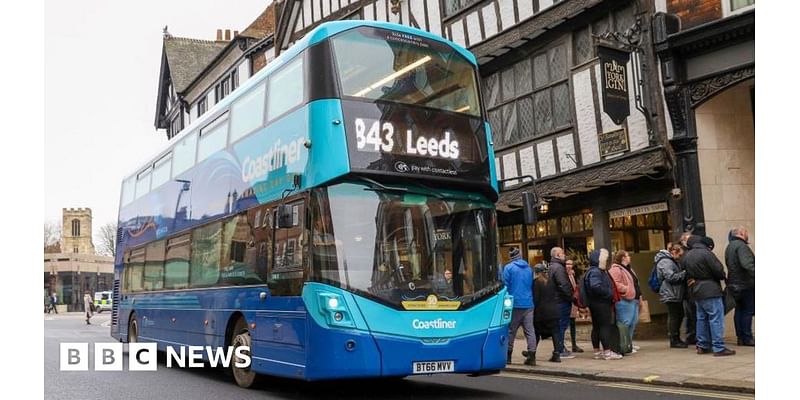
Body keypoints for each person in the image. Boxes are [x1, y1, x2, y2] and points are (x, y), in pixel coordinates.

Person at [684, 235, 735, 356]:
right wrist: (722, 276)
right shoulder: (706, 253)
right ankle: (718, 347)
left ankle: (702, 345)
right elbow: (718, 270)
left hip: (696, 290)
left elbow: (684, 270)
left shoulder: (687, 255)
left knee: (701, 318)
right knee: (716, 318)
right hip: (710, 289)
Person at [584, 249, 623, 360]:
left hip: (595, 303)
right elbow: (595, 286)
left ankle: (597, 352)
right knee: (604, 327)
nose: (606, 261)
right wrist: (609, 293)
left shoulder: (592, 271)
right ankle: (607, 352)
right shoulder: (596, 271)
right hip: (601, 304)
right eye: (605, 259)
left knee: (596, 327)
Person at [503, 247, 537, 365]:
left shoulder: (508, 268)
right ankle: (532, 357)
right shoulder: (529, 268)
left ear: (510, 256)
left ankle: (508, 357)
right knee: (530, 331)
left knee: (511, 330)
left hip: (514, 304)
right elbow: (531, 284)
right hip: (528, 303)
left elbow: (505, 286)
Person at [725, 226, 755, 346]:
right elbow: (747, 264)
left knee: (739, 310)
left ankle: (740, 337)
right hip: (745, 284)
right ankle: (747, 337)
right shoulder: (742, 246)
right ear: (741, 233)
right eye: (746, 232)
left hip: (734, 284)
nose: (747, 234)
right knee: (747, 310)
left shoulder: (730, 246)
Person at [655, 243, 688, 348]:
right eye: (679, 255)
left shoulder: (670, 261)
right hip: (670, 293)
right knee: (674, 316)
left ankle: (676, 338)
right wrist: (684, 274)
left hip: (673, 292)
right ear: (674, 252)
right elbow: (671, 277)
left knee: (678, 315)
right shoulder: (666, 262)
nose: (680, 258)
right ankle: (674, 339)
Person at [608, 250, 639, 353]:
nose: (629, 257)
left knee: (632, 323)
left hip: (633, 299)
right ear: (623, 258)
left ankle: (628, 343)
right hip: (624, 300)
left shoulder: (629, 268)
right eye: (627, 255)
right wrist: (626, 289)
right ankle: (623, 344)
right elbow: (615, 283)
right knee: (625, 324)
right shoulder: (616, 269)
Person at [547, 247, 575, 360]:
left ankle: (560, 347)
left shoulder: (552, 266)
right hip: (561, 301)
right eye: (563, 253)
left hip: (555, 300)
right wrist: (571, 297)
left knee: (559, 326)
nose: (564, 255)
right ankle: (560, 349)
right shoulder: (558, 268)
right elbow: (563, 285)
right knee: (561, 326)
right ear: (558, 255)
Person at [533, 262, 563, 362]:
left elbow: (536, 299)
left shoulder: (536, 283)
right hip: (554, 310)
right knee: (555, 332)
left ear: (536, 272)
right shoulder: (551, 281)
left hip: (542, 312)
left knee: (536, 333)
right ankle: (557, 354)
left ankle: (531, 352)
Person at [679, 232, 697, 344]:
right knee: (691, 314)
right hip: (688, 289)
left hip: (690, 289)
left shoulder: (687, 253)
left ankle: (691, 336)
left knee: (691, 314)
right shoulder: (685, 254)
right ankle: (691, 336)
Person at [565, 258, 584, 353]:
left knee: (572, 324)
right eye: (567, 264)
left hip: (572, 303)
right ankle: (563, 345)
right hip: (566, 303)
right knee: (564, 325)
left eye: (570, 264)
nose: (569, 266)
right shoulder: (563, 275)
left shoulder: (572, 275)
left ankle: (574, 344)